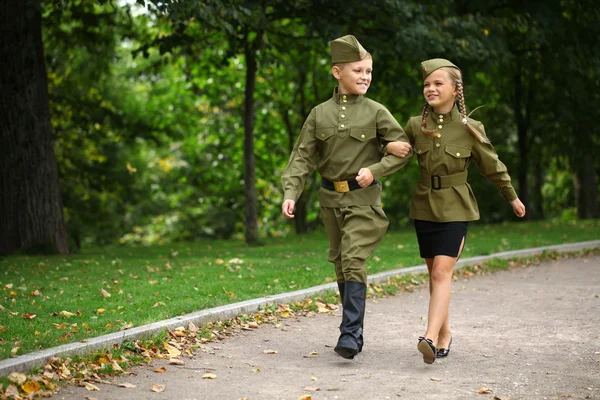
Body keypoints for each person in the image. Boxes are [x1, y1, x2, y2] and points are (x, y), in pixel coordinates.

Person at [386, 58, 526, 364]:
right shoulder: (414, 125)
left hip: (457, 206)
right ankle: (445, 333)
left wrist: (512, 197)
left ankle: (429, 337)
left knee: (441, 272)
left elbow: (493, 167)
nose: (431, 89)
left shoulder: (470, 128)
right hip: (424, 205)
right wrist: (381, 158)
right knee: (435, 277)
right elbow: (395, 155)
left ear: (455, 89)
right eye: (426, 84)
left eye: (438, 83)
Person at [281, 35, 412, 360]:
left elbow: (403, 150)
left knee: (353, 259)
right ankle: (353, 332)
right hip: (330, 200)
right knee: (341, 264)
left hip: (364, 200)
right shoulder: (319, 114)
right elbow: (301, 157)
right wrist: (291, 192)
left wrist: (376, 169)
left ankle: (350, 334)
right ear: (337, 72)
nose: (366, 76)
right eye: (358, 70)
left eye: (369, 71)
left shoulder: (376, 111)